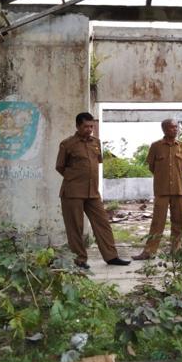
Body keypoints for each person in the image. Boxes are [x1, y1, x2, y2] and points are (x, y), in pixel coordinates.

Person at [55, 112, 130, 267]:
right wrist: (75, 179)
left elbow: (96, 164)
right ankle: (80, 259)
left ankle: (111, 256)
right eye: (86, 126)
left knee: (103, 223)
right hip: (73, 192)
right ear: (77, 126)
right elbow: (60, 167)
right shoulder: (67, 144)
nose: (89, 129)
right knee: (76, 227)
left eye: (91, 126)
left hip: (92, 192)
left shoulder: (96, 142)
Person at [133, 118, 182, 260]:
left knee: (178, 221)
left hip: (178, 190)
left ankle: (176, 250)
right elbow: (152, 167)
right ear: (164, 129)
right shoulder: (156, 146)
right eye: (171, 127)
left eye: (176, 127)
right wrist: (163, 178)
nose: (175, 130)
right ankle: (149, 251)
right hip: (161, 190)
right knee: (158, 221)